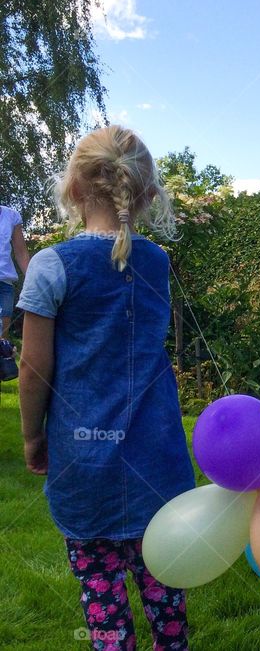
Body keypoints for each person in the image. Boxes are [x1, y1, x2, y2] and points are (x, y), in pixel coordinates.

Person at [17, 125, 194, 650]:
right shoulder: (157, 263)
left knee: (103, 598)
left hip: (83, 461)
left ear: (73, 188)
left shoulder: (51, 266)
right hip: (156, 455)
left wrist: (32, 438)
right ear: (146, 193)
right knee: (166, 584)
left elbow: (33, 369)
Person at [0, 201, 31, 380]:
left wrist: (33, 279)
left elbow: (21, 253)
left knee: (2, 333)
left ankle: (4, 369)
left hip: (4, 283)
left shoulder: (11, 216)